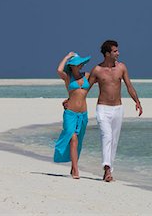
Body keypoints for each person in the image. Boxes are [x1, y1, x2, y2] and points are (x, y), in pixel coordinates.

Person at [89, 40, 143, 182]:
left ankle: (109, 171)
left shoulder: (122, 68)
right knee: (106, 136)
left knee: (114, 141)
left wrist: (137, 101)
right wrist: (72, 100)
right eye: (115, 51)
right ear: (107, 54)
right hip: (103, 108)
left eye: (117, 51)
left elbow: (129, 86)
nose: (118, 53)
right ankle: (106, 168)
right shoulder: (97, 70)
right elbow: (85, 89)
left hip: (118, 109)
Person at [54, 52, 92, 179]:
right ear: (71, 66)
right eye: (77, 64)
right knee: (72, 137)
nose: (80, 66)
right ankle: (76, 170)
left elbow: (101, 78)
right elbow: (59, 69)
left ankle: (73, 167)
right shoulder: (67, 77)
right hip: (70, 113)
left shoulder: (87, 76)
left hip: (83, 114)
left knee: (78, 142)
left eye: (81, 63)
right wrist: (66, 56)